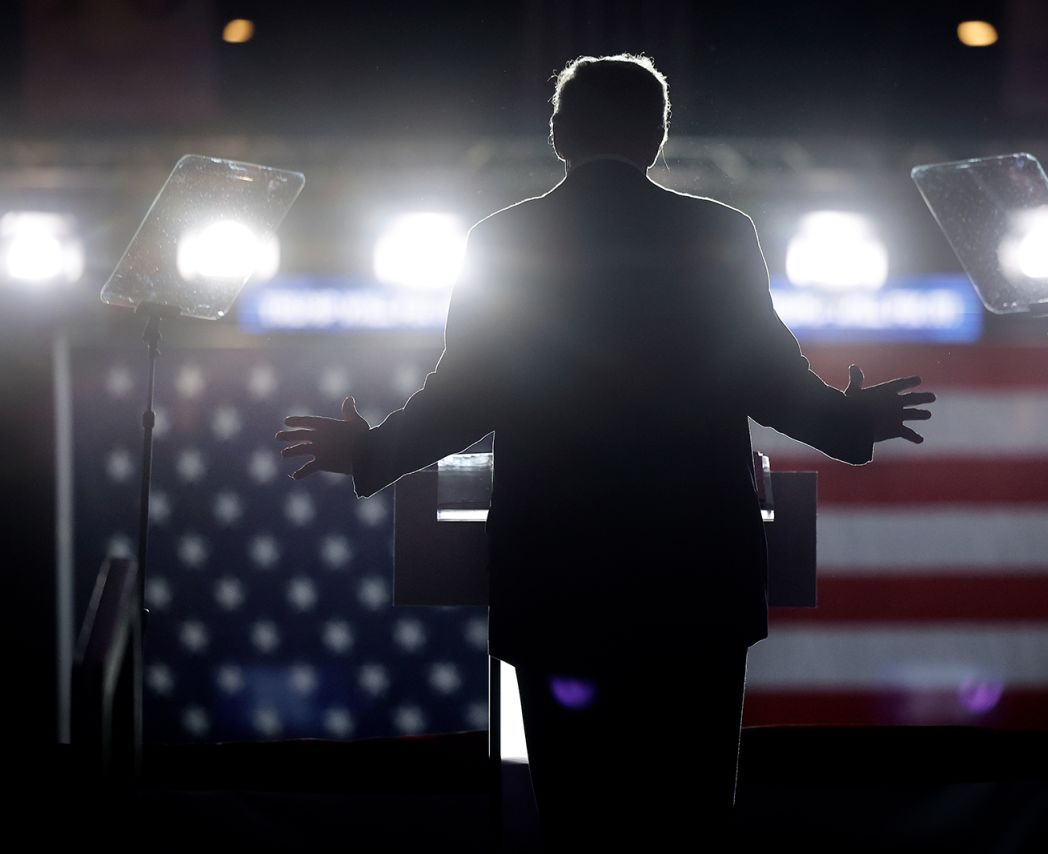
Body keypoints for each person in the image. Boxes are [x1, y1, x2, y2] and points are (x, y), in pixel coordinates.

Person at [276, 53, 933, 850]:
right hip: (695, 582)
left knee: (577, 821)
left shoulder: (504, 238)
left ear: (557, 134)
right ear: (658, 136)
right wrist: (851, 423)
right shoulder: (718, 233)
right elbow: (768, 380)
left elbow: (466, 394)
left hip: (559, 583)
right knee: (690, 821)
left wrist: (374, 452)